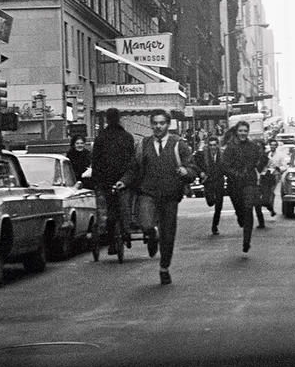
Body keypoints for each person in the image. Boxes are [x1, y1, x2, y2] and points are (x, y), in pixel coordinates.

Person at [121, 109, 196, 285]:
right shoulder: (143, 145)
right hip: (148, 193)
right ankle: (151, 234)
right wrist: (123, 181)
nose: (158, 126)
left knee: (168, 235)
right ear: (151, 124)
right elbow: (133, 168)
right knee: (145, 222)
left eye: (161, 123)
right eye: (155, 123)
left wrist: (186, 172)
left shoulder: (178, 145)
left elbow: (193, 168)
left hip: (170, 196)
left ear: (168, 125)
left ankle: (164, 268)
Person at [91, 108, 136, 255]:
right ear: (119, 119)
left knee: (109, 211)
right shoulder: (127, 137)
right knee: (125, 207)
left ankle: (111, 241)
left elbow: (96, 161)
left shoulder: (100, 138)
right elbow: (132, 161)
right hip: (124, 180)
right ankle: (126, 232)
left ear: (107, 120)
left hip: (106, 181)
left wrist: (97, 180)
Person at [222, 121, 269, 254]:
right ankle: (239, 216)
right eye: (241, 131)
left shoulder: (253, 147)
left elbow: (258, 167)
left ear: (248, 132)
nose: (243, 133)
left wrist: (264, 157)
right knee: (240, 210)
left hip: (249, 182)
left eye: (245, 131)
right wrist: (235, 174)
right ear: (237, 132)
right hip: (234, 184)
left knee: (248, 209)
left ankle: (246, 241)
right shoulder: (230, 147)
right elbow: (225, 166)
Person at [193, 135, 226, 235]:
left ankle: (214, 226)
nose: (213, 147)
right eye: (211, 145)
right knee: (211, 202)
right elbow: (194, 164)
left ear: (218, 145)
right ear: (208, 146)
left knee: (219, 206)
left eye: (215, 145)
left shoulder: (222, 155)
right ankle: (211, 199)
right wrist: (200, 173)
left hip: (219, 181)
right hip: (208, 182)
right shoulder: (202, 155)